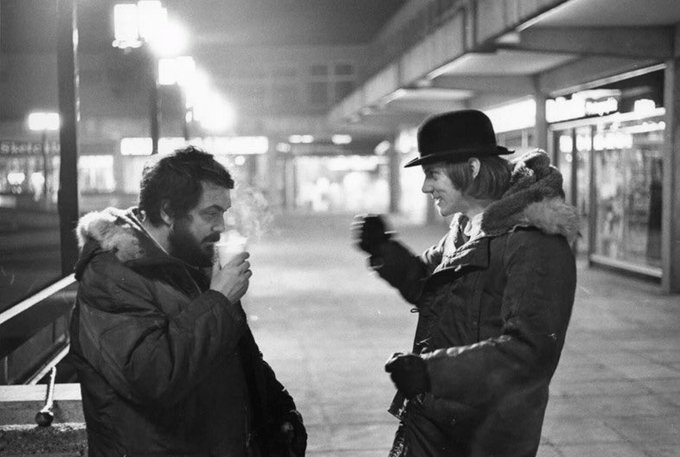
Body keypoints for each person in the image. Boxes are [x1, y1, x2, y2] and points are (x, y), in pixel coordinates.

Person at [353, 110, 578, 457]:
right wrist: (383, 249)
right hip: (435, 420)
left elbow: (530, 352)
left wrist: (432, 371)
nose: (426, 186)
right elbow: (427, 284)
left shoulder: (534, 241)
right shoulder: (466, 226)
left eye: (432, 174)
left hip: (485, 434)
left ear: (471, 169)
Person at [69, 146, 307, 457]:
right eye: (210, 213)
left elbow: (239, 356)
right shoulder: (111, 275)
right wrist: (219, 299)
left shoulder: (190, 258)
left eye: (223, 212)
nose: (220, 227)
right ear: (167, 211)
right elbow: (153, 376)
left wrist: (281, 414)